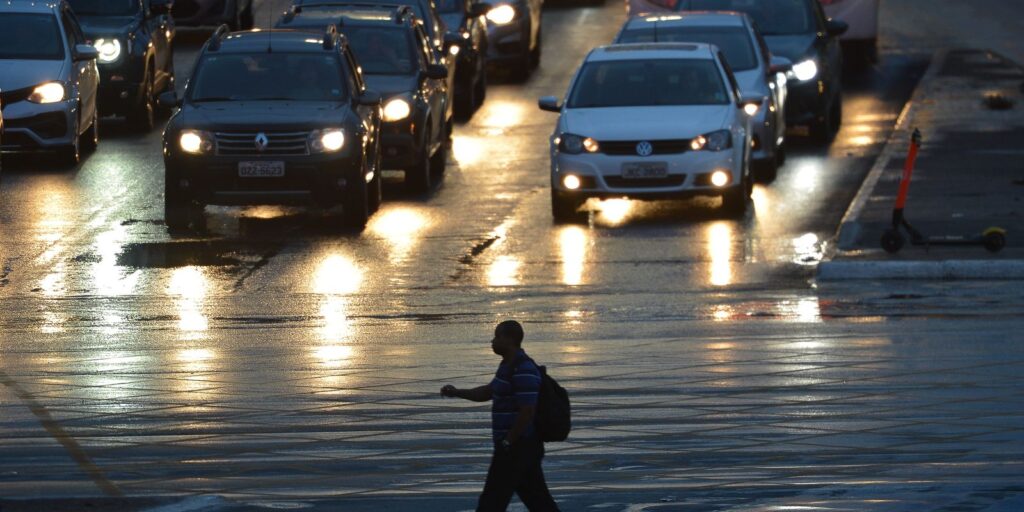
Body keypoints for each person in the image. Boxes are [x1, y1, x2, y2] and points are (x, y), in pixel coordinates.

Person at [441, 320, 560, 511]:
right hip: (517, 447)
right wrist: (457, 392)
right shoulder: (507, 365)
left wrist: (508, 442)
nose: (493, 341)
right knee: (539, 501)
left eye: (497, 336)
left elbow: (527, 411)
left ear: (510, 339)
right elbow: (488, 392)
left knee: (492, 502)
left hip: (518, 447)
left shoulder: (524, 368)